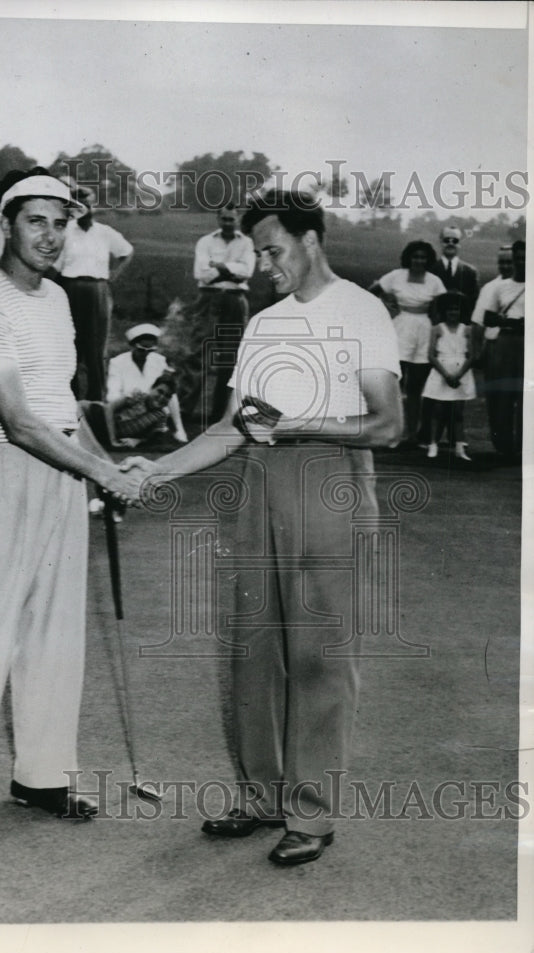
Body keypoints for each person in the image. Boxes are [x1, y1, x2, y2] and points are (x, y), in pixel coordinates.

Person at [125, 190, 402, 866]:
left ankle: (312, 814)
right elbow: (233, 427)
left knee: (318, 659)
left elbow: (389, 424)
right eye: (256, 253)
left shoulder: (361, 311)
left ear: (313, 240)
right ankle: (261, 795)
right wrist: (151, 473)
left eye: (273, 250)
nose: (263, 265)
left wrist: (293, 425)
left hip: (332, 481)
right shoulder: (264, 324)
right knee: (253, 651)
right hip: (261, 486)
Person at [0, 169, 143, 838]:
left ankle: (41, 778)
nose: (51, 235)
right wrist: (102, 475)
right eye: (36, 220)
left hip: (58, 474)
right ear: (6, 225)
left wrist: (106, 461)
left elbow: (60, 404)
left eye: (62, 221)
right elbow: (18, 420)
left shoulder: (55, 301)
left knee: (55, 629)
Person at [54, 187, 133, 401]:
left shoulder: (105, 232)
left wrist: (113, 275)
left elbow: (126, 252)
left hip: (97, 290)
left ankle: (96, 399)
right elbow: (55, 264)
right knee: (70, 345)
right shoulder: (64, 231)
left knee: (96, 347)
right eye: (77, 205)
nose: (83, 209)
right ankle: (70, 398)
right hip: (70, 288)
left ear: (93, 206)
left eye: (87, 204)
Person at [179, 204, 256, 424]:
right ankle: (184, 411)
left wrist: (219, 267)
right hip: (209, 299)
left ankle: (220, 413)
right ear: (218, 219)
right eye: (224, 219)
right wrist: (232, 270)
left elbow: (247, 273)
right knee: (199, 353)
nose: (228, 223)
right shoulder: (206, 242)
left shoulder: (247, 243)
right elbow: (202, 274)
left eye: (232, 219)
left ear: (237, 220)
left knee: (230, 357)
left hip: (235, 301)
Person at [371, 241, 445, 446]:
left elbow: (441, 309)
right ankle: (390, 431)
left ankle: (411, 434)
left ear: (428, 260)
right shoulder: (396, 276)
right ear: (408, 258)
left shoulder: (435, 281)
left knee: (416, 387)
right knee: (394, 384)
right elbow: (372, 292)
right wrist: (386, 307)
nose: (419, 261)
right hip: (400, 329)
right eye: (415, 257)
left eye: (423, 257)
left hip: (424, 331)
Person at [471, 240, 525, 458]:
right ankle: (503, 445)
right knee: (500, 394)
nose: (522, 262)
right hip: (504, 342)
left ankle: (524, 445)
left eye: (526, 257)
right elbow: (484, 318)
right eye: (518, 257)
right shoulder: (499, 287)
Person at [105, 323, 187, 448]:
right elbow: (112, 394)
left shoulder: (159, 360)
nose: (145, 354)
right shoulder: (117, 362)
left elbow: (165, 388)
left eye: (150, 350)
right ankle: (149, 432)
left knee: (170, 391)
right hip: (128, 409)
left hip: (153, 405)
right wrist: (128, 398)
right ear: (132, 345)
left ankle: (178, 429)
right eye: (141, 349)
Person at [422, 292, 475, 460]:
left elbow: (472, 355)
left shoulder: (467, 329)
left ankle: (459, 447)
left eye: (456, 310)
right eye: (450, 310)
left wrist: (458, 375)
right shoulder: (437, 329)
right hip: (441, 371)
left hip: (461, 371)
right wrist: (445, 374)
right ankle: (432, 444)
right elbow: (431, 355)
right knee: (437, 409)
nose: (453, 313)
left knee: (458, 412)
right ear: (445, 311)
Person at [429, 225, 479, 318]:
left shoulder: (470, 272)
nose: (450, 244)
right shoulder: (430, 269)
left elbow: (473, 304)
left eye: (455, 241)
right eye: (447, 240)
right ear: (440, 242)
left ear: (460, 243)